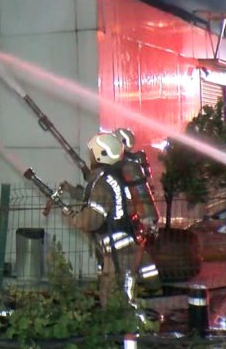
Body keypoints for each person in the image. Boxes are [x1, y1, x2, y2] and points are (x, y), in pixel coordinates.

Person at [65, 133, 158, 317]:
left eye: (92, 153)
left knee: (114, 297)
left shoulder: (104, 183)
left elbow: (91, 220)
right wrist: (72, 191)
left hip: (118, 251)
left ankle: (127, 335)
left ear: (101, 154)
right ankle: (127, 331)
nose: (90, 156)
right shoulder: (116, 177)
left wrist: (72, 215)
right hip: (127, 244)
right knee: (122, 293)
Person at [112, 127, 161, 294]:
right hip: (139, 217)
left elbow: (134, 194)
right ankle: (153, 286)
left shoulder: (126, 167)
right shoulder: (135, 163)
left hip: (132, 217)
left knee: (131, 256)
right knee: (140, 254)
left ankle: (128, 291)